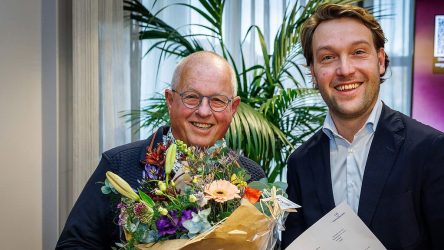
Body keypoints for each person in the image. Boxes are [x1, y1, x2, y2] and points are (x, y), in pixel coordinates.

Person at [56, 51, 266, 249]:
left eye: (218, 100)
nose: (203, 111)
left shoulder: (252, 178)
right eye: (191, 97)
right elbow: (73, 245)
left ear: (233, 108)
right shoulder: (118, 166)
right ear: (170, 100)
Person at [282, 3, 444, 250]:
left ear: (380, 61)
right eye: (328, 57)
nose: (345, 70)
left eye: (358, 52)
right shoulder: (300, 163)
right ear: (313, 72)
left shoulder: (430, 150)